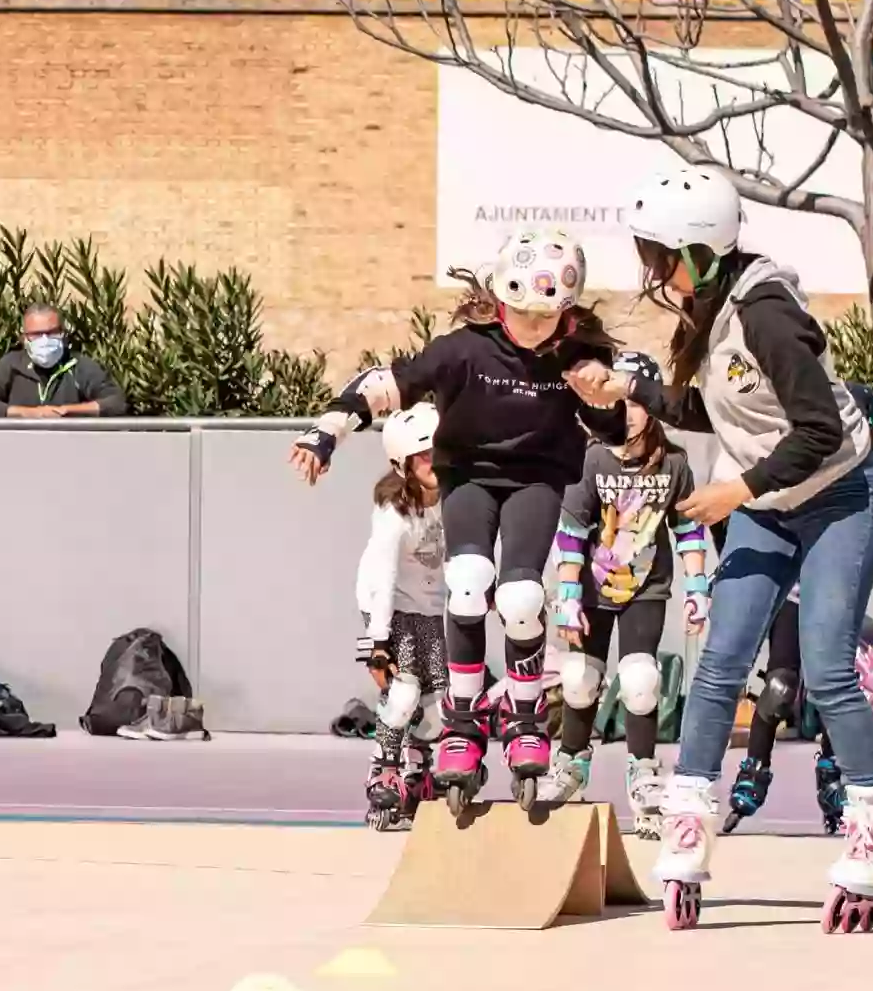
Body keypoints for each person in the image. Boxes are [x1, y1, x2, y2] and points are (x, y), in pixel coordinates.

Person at [569, 166, 873, 934]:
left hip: (840, 495)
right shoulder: (710, 313)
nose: (654, 273)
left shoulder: (768, 315)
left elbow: (818, 430)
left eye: (661, 257)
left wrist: (736, 491)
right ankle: (687, 820)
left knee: (824, 667)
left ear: (703, 253)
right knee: (719, 662)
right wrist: (629, 392)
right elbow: (714, 409)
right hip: (769, 500)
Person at [291, 225, 622, 815]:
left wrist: (606, 397)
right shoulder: (463, 349)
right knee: (468, 584)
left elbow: (621, 430)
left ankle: (525, 722)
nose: (537, 330)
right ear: (502, 299)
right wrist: (327, 431)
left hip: (536, 480)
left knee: (520, 596)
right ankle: (461, 727)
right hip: (468, 476)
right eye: (525, 315)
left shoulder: (578, 356)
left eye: (550, 319)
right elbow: (384, 385)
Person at [545, 351, 711, 835]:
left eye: (637, 401)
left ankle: (643, 774)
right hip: (593, 589)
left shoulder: (675, 463)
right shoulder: (592, 457)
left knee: (640, 680)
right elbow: (572, 531)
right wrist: (568, 596)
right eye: (621, 401)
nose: (629, 411)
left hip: (647, 588)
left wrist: (698, 588)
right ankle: (572, 763)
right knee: (579, 677)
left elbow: (689, 531)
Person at [725, 383, 873, 837]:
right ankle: (753, 769)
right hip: (790, 592)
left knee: (839, 682)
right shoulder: (798, 454)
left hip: (829, 593)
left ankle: (835, 769)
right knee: (779, 685)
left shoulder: (865, 486)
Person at [355, 403, 449, 829]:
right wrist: (377, 643)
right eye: (423, 455)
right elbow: (383, 574)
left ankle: (420, 771)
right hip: (387, 604)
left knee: (438, 704)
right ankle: (384, 767)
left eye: (438, 451)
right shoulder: (394, 511)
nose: (434, 462)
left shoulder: (453, 497)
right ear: (403, 463)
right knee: (403, 694)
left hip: (429, 608)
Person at [0, 304, 130, 418]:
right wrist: (28, 413)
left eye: (52, 332)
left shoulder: (79, 365)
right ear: (24, 338)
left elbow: (116, 402)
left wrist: (66, 412)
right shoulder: (11, 365)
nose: (45, 339)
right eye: (36, 334)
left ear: (63, 334)